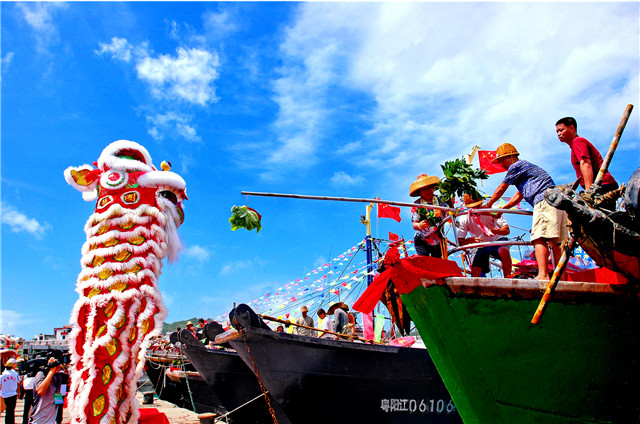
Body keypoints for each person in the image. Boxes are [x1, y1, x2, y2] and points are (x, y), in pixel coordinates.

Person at [486, 143, 568, 280]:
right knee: (556, 243)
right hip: (557, 202)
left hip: (544, 200)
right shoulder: (526, 173)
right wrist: (502, 209)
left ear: (513, 157)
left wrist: (488, 204)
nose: (502, 164)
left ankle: (543, 275)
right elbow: (519, 196)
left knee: (539, 238)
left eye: (503, 160)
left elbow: (502, 188)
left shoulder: (516, 166)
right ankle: (561, 278)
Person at [556, 116, 619, 209]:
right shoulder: (575, 145)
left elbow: (586, 164)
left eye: (561, 130)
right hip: (601, 186)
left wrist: (589, 192)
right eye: (557, 132)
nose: (559, 134)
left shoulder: (577, 141)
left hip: (601, 185)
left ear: (572, 128)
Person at [455, 194, 512, 277]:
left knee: (504, 250)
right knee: (475, 269)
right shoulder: (464, 218)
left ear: (481, 203)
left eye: (477, 206)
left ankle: (508, 279)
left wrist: (494, 230)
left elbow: (506, 230)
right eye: (472, 207)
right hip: (480, 244)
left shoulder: (492, 212)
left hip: (496, 240)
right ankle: (477, 284)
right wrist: (470, 240)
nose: (475, 209)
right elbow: (460, 242)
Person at [410, 174, 447, 257]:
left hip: (439, 238)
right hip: (422, 240)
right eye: (424, 189)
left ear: (433, 188)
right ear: (420, 192)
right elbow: (414, 224)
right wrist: (420, 225)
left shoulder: (441, 200)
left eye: (429, 188)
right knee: (424, 262)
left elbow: (449, 213)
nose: (427, 191)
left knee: (439, 263)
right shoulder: (417, 204)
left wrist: (451, 203)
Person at [29, 357, 62, 424]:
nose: (60, 367)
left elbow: (58, 400)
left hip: (51, 420)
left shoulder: (58, 377)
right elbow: (40, 392)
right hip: (38, 420)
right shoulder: (41, 374)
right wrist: (51, 371)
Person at [1, 358, 20, 424]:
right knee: (11, 410)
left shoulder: (2, 375)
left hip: (4, 394)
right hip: (13, 394)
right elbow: (19, 383)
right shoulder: (15, 374)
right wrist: (18, 392)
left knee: (5, 410)